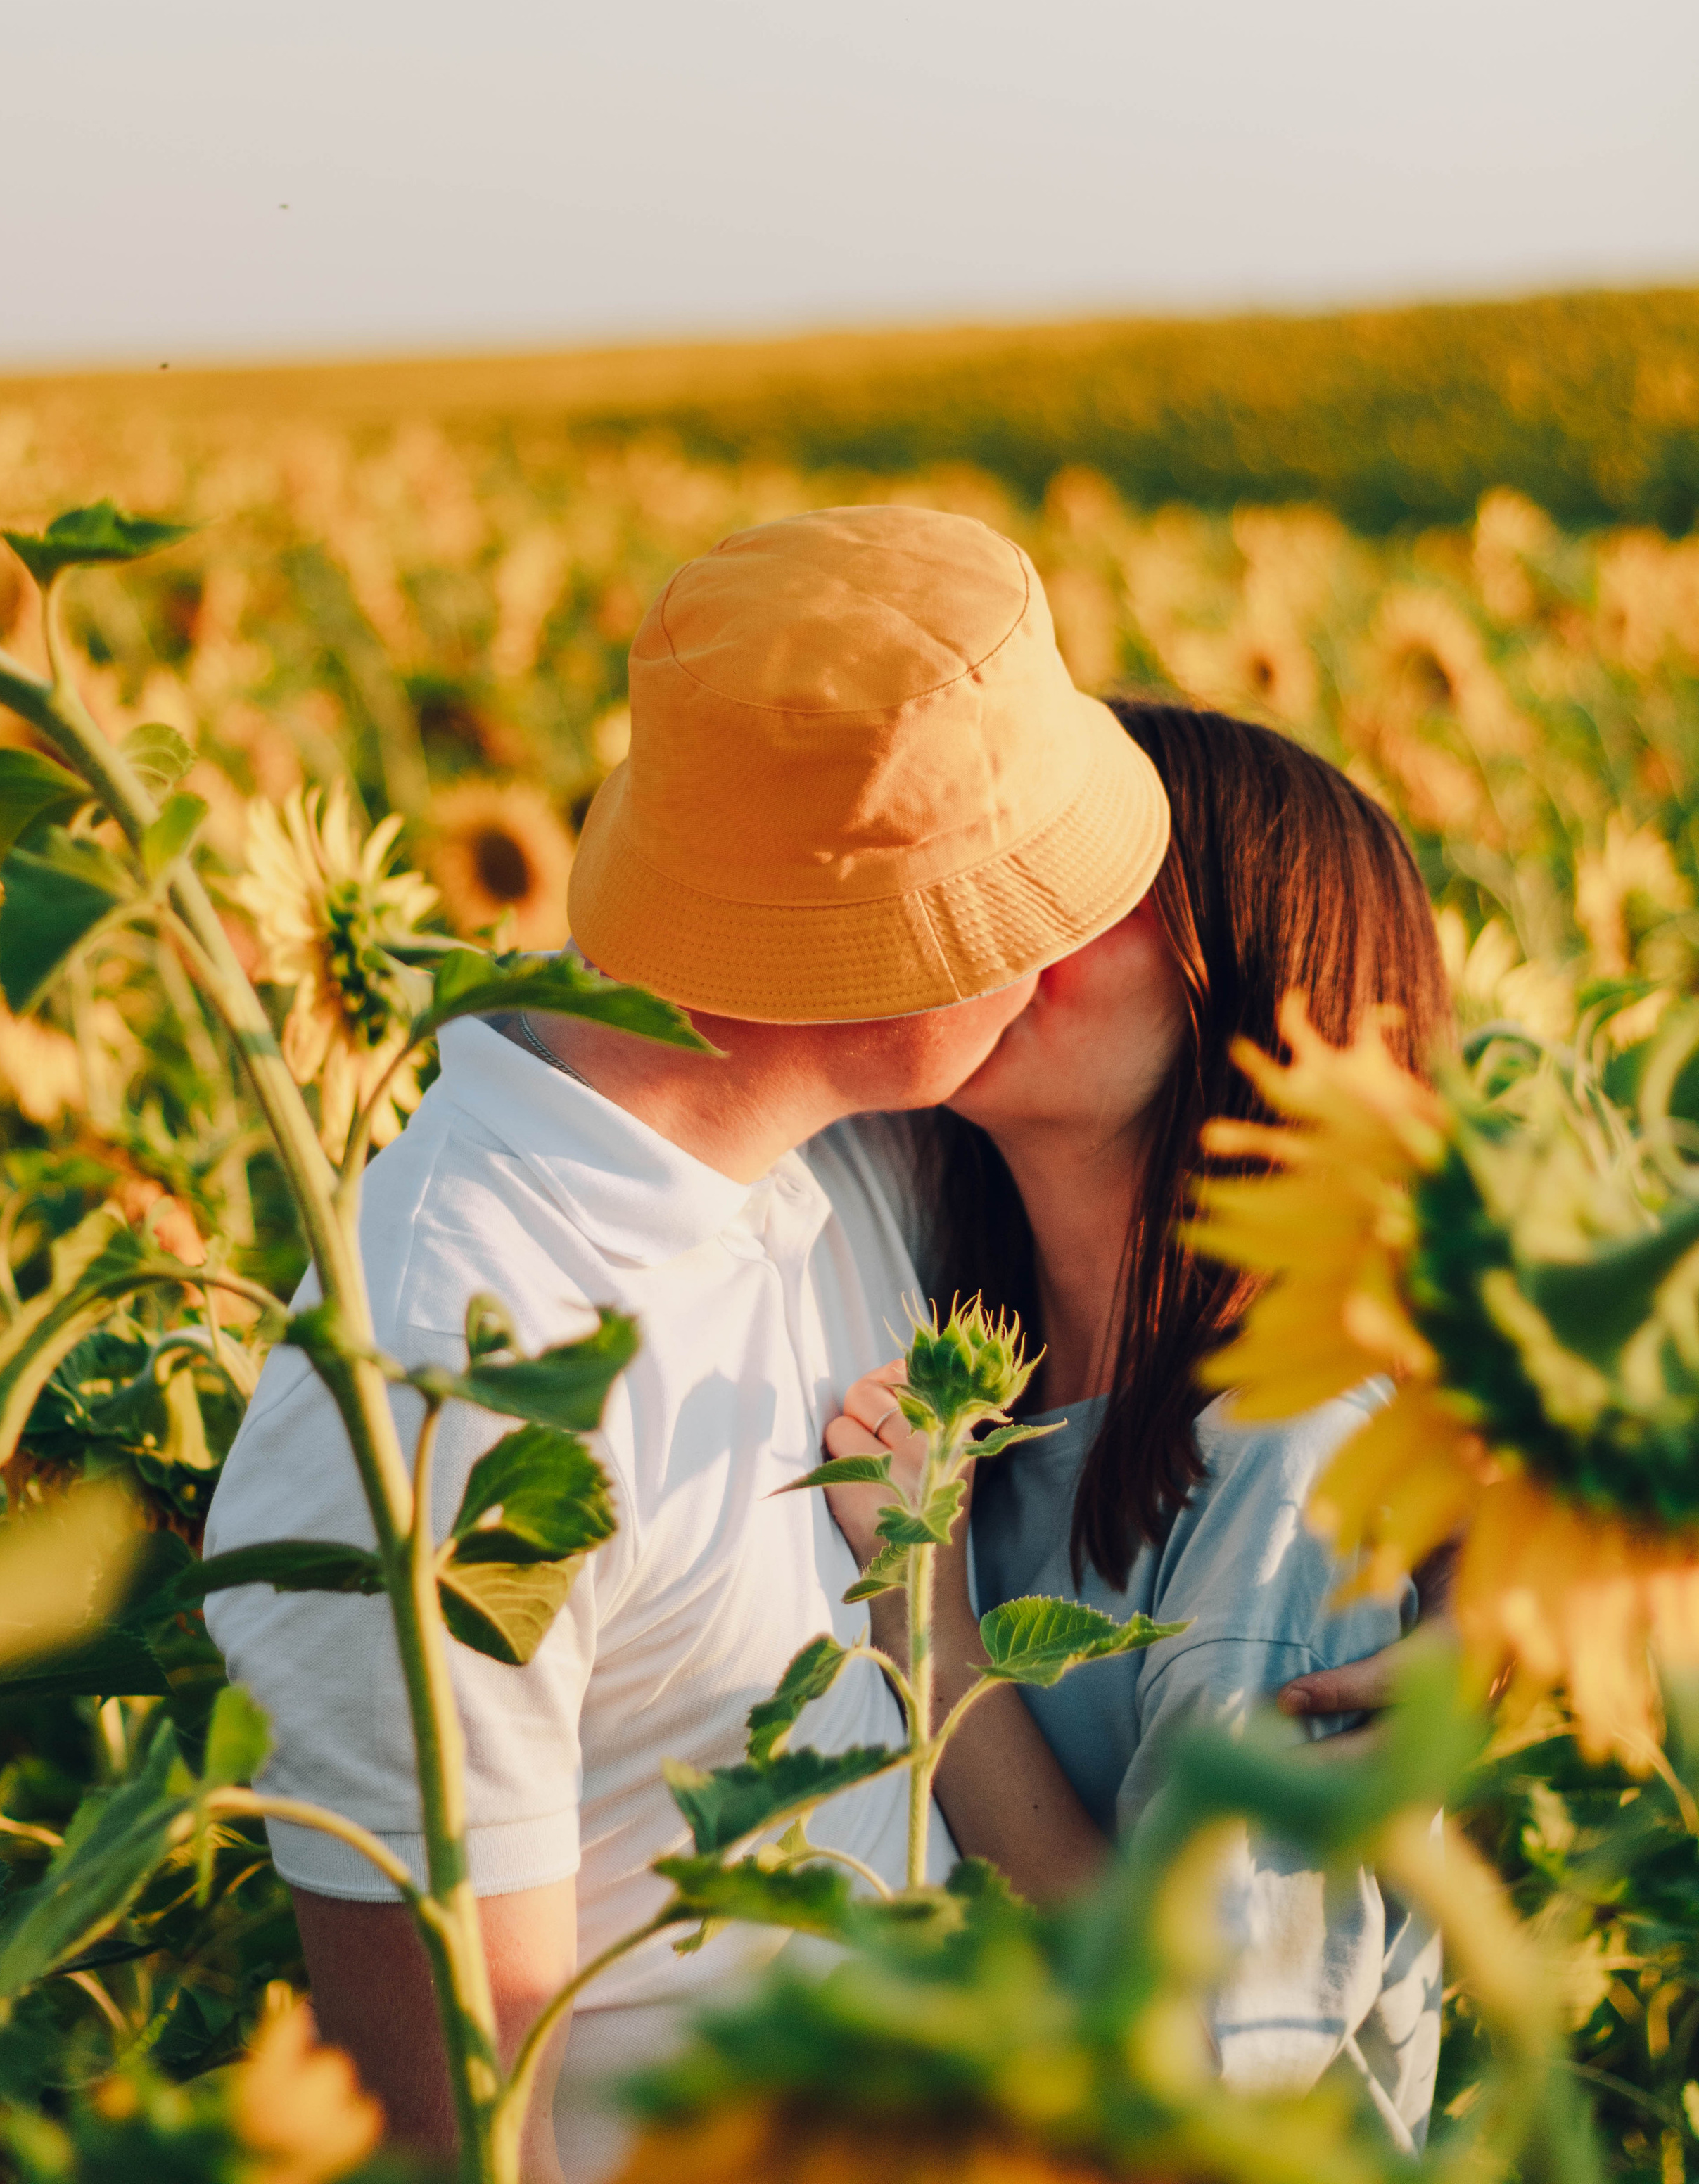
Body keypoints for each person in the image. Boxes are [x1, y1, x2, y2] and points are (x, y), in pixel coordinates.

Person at [203, 504, 1172, 2183]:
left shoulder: (839, 1141)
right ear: (873, 960)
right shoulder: (439, 1398)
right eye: (1012, 896)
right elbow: (459, 2130)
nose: (1055, 948)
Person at [822, 703, 1453, 2152]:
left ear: (1257, 1001)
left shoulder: (1291, 1459)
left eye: (1087, 882)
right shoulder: (979, 1345)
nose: (1003, 913)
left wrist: (927, 1614)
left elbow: (1179, 2064)